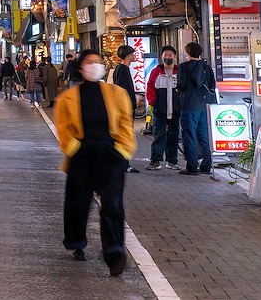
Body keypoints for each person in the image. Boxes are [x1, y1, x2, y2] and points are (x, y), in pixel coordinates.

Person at [54, 49, 136, 277]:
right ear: (81, 69)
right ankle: (77, 242)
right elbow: (64, 129)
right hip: (81, 157)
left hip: (111, 157)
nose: (94, 66)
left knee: (113, 205)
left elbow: (125, 125)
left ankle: (114, 252)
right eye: (89, 63)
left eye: (98, 62)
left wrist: (122, 151)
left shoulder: (116, 93)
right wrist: (74, 149)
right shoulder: (67, 99)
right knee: (77, 203)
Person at [177, 42, 216, 175]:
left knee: (189, 136)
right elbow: (212, 85)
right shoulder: (206, 66)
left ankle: (192, 166)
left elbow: (181, 85)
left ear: (187, 53)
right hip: (205, 106)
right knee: (204, 136)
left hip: (189, 105)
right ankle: (206, 166)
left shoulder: (183, 67)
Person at [145, 46, 181, 170]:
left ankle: (172, 161)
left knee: (173, 136)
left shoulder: (180, 72)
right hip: (160, 110)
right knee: (159, 135)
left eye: (170, 55)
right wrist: (154, 103)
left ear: (174, 57)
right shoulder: (156, 72)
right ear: (162, 57)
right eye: (165, 55)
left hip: (175, 111)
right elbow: (150, 88)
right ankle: (155, 160)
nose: (167, 58)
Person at [112, 45, 140, 175]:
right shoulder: (123, 70)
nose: (134, 56)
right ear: (128, 55)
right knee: (125, 136)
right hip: (125, 109)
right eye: (133, 54)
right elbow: (123, 91)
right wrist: (129, 107)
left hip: (123, 108)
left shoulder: (120, 69)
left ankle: (123, 163)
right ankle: (124, 164)